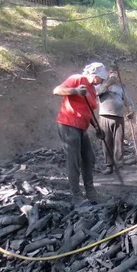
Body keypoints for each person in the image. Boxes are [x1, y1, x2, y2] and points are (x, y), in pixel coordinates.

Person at [53, 62, 108, 202]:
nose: (102, 80)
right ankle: (76, 195)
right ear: (94, 75)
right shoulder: (77, 79)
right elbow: (57, 90)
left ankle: (90, 191)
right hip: (68, 124)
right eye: (101, 78)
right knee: (74, 160)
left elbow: (88, 111)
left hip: (81, 127)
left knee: (89, 158)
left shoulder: (92, 89)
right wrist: (75, 91)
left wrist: (97, 127)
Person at [94, 64, 135, 174]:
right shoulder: (101, 84)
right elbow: (96, 93)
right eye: (111, 72)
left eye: (115, 72)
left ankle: (119, 166)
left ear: (118, 74)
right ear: (107, 73)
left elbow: (128, 101)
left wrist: (131, 110)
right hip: (104, 116)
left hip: (119, 117)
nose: (113, 74)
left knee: (118, 142)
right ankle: (109, 166)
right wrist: (108, 84)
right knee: (106, 141)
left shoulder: (122, 86)